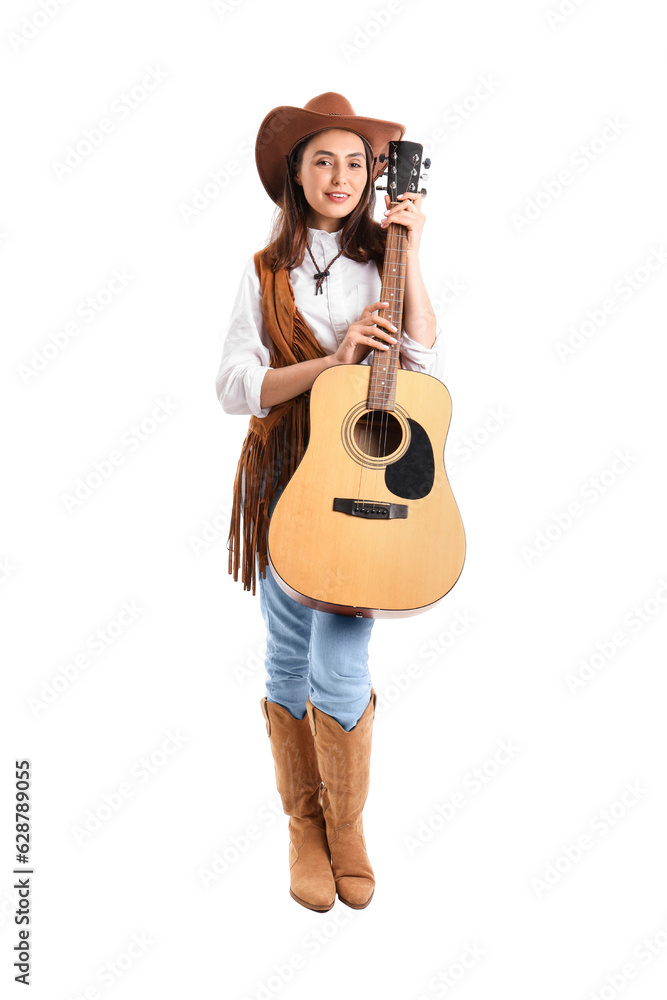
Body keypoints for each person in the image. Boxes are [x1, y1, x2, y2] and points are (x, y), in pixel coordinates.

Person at [215, 93, 444, 912]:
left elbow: (419, 354)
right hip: (285, 479)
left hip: (361, 487)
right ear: (295, 173)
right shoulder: (263, 271)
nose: (340, 176)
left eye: (356, 163)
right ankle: (301, 826)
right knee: (285, 655)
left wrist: (408, 250)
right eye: (323, 161)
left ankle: (347, 826)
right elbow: (236, 386)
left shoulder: (381, 257)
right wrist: (333, 362)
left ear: (376, 177)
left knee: (340, 660)